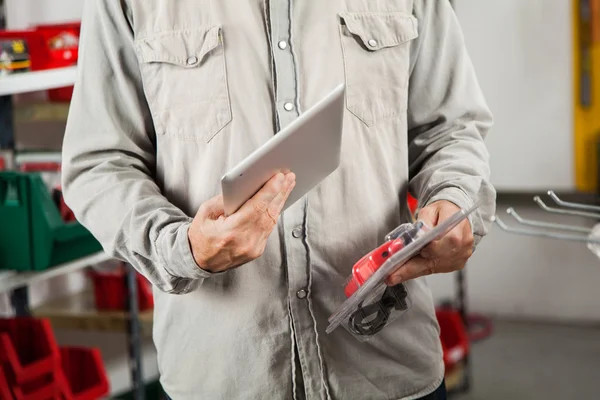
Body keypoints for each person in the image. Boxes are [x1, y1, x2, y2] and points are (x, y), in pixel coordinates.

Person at [62, 0, 495, 399]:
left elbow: (452, 129)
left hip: (387, 369)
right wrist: (183, 248)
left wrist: (454, 198)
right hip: (226, 377)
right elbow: (100, 163)